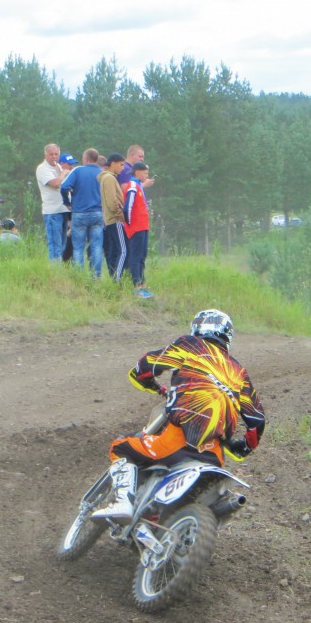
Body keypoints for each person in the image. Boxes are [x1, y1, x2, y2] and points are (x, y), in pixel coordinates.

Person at [92, 309, 265, 521]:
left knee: (121, 447)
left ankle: (123, 502)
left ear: (197, 328)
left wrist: (149, 382)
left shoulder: (191, 345)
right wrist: (241, 448)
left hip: (178, 441)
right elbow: (257, 422)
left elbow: (145, 367)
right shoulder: (239, 373)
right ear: (227, 336)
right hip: (214, 457)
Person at [60, 149, 105, 277]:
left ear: (85, 159)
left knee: (78, 247)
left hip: (79, 213)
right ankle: (96, 277)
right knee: (96, 247)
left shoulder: (78, 171)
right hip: (97, 213)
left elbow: (64, 187)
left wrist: (67, 201)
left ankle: (78, 277)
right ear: (96, 159)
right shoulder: (102, 174)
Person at [123, 162, 153, 298]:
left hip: (143, 226)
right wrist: (129, 223)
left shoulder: (139, 186)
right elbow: (127, 206)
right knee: (135, 256)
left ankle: (142, 283)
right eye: (145, 173)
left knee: (142, 255)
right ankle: (136, 286)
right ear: (137, 172)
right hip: (136, 227)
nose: (147, 176)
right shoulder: (133, 186)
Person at [35, 144, 70, 261]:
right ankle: (55, 272)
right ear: (46, 155)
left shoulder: (59, 167)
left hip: (64, 209)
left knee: (63, 245)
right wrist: (63, 173)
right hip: (52, 211)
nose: (54, 157)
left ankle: (60, 272)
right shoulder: (42, 168)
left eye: (56, 154)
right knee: (55, 246)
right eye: (51, 154)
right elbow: (55, 183)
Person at [100, 153, 127, 281]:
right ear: (113, 164)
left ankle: (113, 277)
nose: (123, 168)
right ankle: (117, 280)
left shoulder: (106, 178)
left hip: (109, 220)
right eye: (121, 165)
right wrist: (121, 215)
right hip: (115, 220)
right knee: (123, 251)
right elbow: (112, 201)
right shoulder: (109, 179)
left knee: (114, 251)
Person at [59, 153, 78, 261]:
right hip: (64, 212)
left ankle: (69, 263)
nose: (71, 167)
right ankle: (64, 262)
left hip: (72, 212)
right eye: (69, 164)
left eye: (72, 164)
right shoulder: (62, 176)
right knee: (66, 241)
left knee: (72, 242)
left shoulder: (73, 177)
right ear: (62, 164)